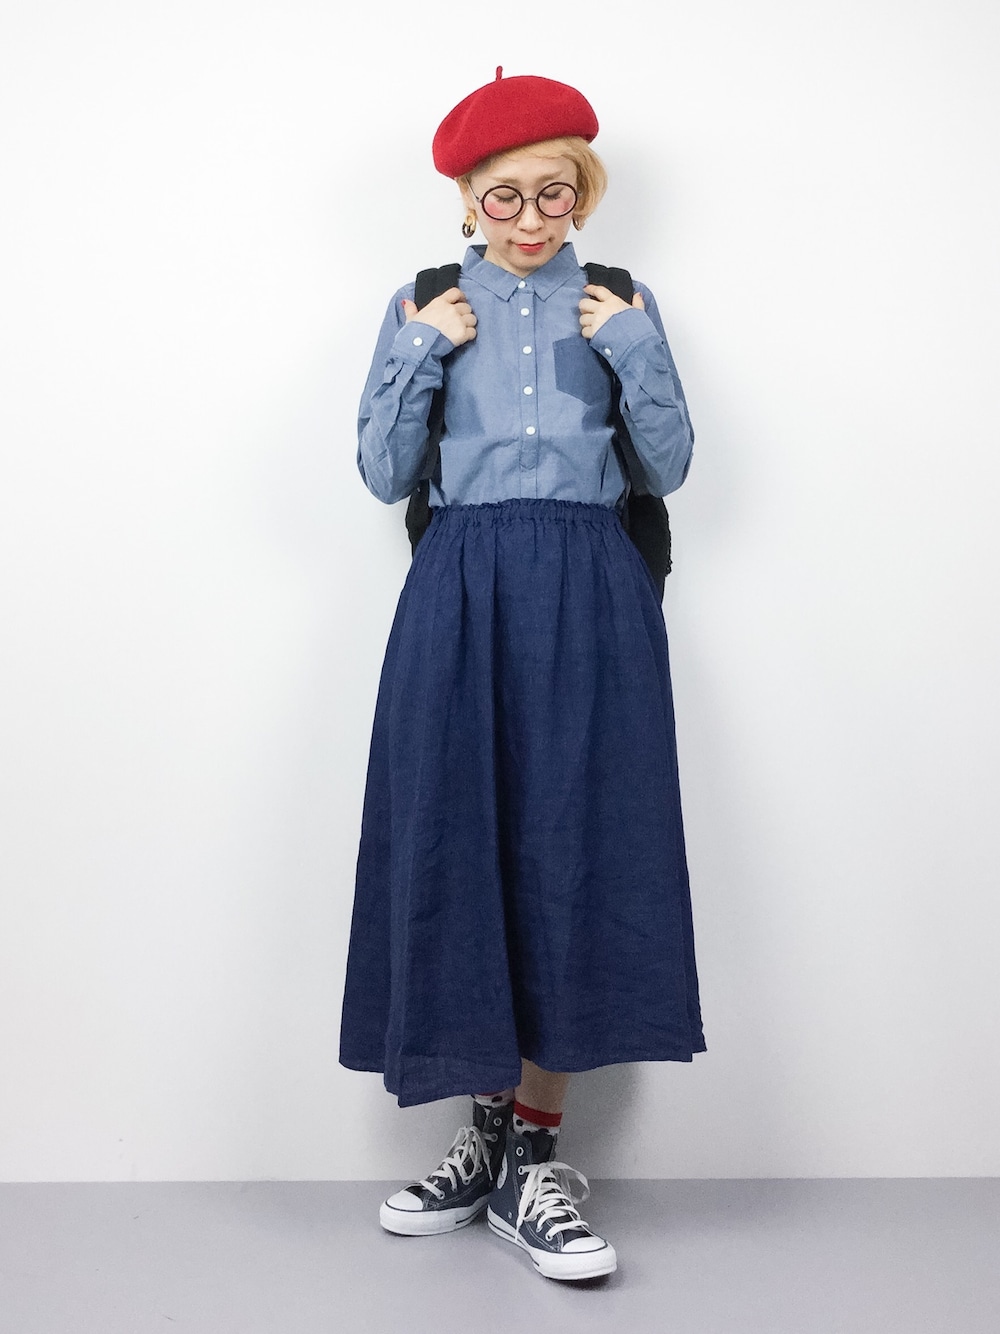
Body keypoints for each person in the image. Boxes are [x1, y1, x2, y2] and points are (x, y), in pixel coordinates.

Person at [339, 68, 706, 1282]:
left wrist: (634, 346)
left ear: (583, 195)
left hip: (590, 585)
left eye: (557, 193)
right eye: (506, 197)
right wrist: (418, 348)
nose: (533, 218)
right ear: (467, 199)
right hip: (460, 584)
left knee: (571, 848)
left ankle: (536, 1151)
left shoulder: (623, 302)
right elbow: (383, 473)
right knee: (462, 841)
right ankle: (486, 1140)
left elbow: (668, 464)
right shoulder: (423, 301)